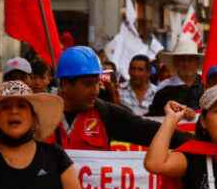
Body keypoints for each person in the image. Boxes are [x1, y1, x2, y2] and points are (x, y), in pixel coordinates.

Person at [52, 46, 191, 151]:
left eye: (97, 83)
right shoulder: (39, 115)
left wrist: (197, 142)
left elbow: (148, 131)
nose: (95, 90)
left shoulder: (106, 113)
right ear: (65, 84)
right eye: (88, 84)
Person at [149, 40, 204, 115]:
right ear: (175, 62)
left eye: (190, 59)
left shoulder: (206, 86)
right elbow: (154, 115)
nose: (186, 64)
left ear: (197, 62)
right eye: (182, 59)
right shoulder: (164, 87)